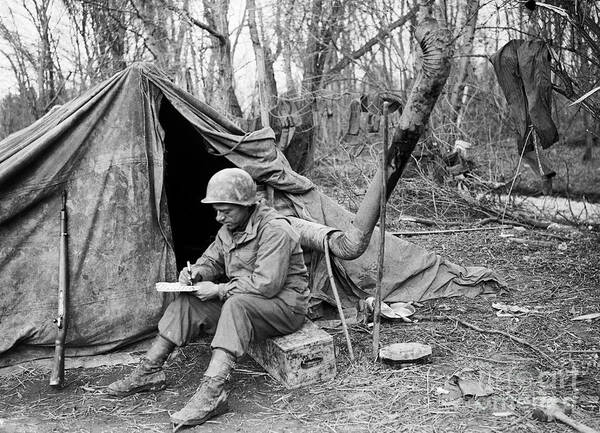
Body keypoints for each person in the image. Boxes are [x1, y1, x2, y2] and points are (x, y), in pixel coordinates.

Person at [107, 167, 309, 427]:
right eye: (217, 210)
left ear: (247, 205)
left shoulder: (275, 230)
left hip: (285, 308)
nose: (218, 217)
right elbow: (212, 260)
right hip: (249, 303)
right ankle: (149, 371)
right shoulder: (231, 227)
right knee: (189, 301)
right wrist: (196, 274)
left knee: (236, 304)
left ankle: (213, 393)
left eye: (225, 211)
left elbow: (266, 285)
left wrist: (219, 290)